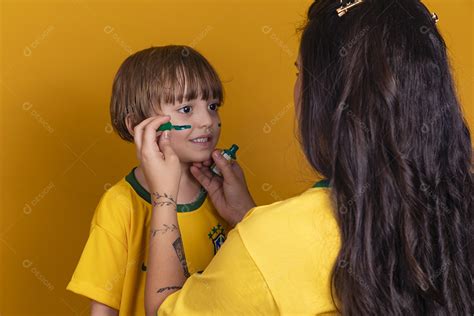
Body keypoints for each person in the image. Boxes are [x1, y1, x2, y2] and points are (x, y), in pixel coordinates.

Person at [137, 0, 473, 315]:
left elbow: (164, 309)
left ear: (330, 100)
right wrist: (247, 216)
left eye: (301, 74)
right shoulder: (460, 213)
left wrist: (164, 197)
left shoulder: (275, 238)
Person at [66, 45, 252, 315]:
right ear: (137, 125)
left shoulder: (221, 192)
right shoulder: (121, 204)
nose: (207, 121)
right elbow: (104, 308)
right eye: (186, 109)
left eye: (212, 106)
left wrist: (247, 215)